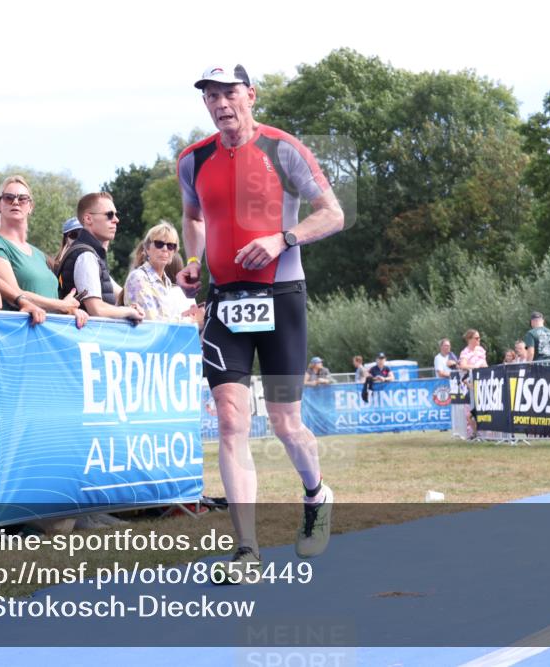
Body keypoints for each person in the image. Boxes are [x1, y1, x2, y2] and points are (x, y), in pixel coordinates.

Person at [175, 64, 345, 575]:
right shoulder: (192, 159)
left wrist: (282, 238)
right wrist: (192, 261)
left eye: (229, 93)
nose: (221, 103)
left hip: (281, 294)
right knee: (230, 419)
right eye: (211, 95)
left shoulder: (283, 148)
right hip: (226, 299)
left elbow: (333, 213)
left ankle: (316, 495)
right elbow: (192, 216)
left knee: (285, 422)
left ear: (250, 95)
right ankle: (246, 547)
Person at [0, 175, 86, 327]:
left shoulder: (39, 254)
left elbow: (53, 301)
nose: (15, 202)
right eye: (8, 197)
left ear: (30, 206)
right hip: (17, 334)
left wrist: (69, 310)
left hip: (50, 334)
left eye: (23, 198)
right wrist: (61, 305)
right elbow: (14, 293)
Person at [55, 192, 142, 323]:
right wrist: (129, 311)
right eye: (109, 215)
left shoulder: (89, 254)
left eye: (116, 214)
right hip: (86, 338)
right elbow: (97, 310)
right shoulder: (86, 256)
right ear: (88, 219)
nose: (116, 220)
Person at [124, 222, 199, 322]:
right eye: (159, 244)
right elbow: (150, 321)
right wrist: (191, 320)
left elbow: (167, 319)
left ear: (174, 252)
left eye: (170, 246)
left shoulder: (166, 282)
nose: (165, 249)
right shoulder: (138, 278)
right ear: (147, 248)